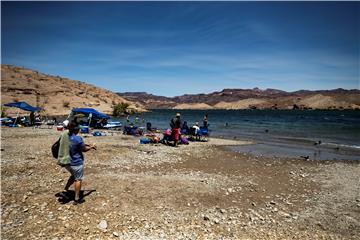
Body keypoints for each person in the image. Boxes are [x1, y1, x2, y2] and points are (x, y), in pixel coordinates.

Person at [65, 122, 96, 204]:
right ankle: (77, 198)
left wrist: (86, 144)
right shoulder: (78, 138)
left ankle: (66, 189)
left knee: (73, 175)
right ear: (77, 130)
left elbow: (76, 145)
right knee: (78, 179)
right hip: (76, 162)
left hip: (67, 162)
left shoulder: (66, 136)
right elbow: (84, 149)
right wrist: (91, 147)